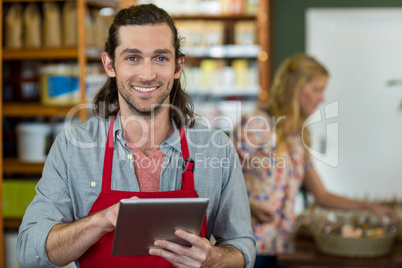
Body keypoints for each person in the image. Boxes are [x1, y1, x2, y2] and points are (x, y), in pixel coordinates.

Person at [17, 4, 256, 268]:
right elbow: (30, 252)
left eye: (160, 58)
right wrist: (99, 221)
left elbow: (242, 247)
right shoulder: (73, 147)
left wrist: (215, 259)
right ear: (110, 64)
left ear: (178, 66)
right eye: (132, 58)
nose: (147, 74)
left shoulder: (217, 149)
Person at [233, 53, 398, 268]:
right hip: (247, 247)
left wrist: (369, 206)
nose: (321, 97)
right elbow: (222, 182)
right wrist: (251, 206)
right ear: (294, 86)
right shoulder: (256, 125)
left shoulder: (295, 136)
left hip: (278, 247)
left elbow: (321, 195)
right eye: (317, 89)